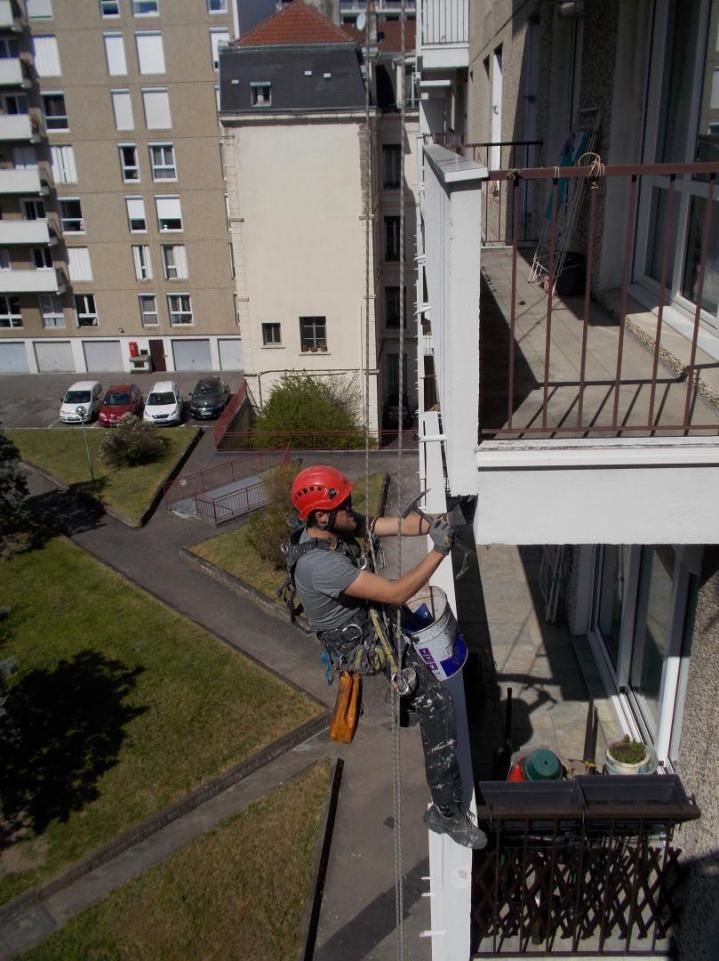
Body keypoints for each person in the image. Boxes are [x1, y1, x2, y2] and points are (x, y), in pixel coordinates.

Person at [286, 464, 487, 849]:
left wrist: (443, 522)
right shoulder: (319, 565)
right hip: (363, 646)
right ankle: (446, 813)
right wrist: (441, 550)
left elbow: (393, 525)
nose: (352, 510)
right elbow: (395, 593)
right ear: (321, 516)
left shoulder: (332, 529)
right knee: (438, 704)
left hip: (370, 620)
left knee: (422, 640)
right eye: (344, 506)